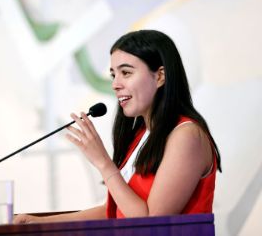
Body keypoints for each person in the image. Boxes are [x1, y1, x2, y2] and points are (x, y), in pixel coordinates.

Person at [14, 29, 222, 223]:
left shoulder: (187, 135)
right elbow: (114, 212)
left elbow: (151, 222)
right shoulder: (142, 135)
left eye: (126, 73)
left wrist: (103, 163)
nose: (115, 84)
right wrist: (40, 223)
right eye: (114, 74)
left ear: (159, 76)